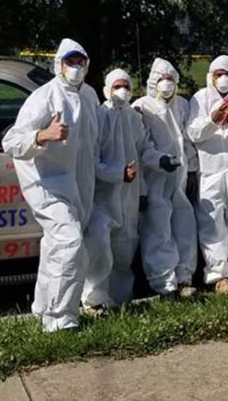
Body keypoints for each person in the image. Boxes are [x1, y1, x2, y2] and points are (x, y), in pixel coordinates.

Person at [3, 38, 99, 332]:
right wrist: (43, 135)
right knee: (69, 243)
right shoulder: (44, 97)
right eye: (70, 62)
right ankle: (60, 321)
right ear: (59, 65)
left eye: (80, 62)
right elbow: (12, 142)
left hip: (77, 182)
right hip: (44, 182)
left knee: (55, 246)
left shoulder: (90, 96)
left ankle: (42, 308)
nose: (76, 68)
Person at [81, 69, 148, 314]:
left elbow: (142, 150)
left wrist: (143, 190)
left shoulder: (133, 117)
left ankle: (121, 302)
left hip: (128, 198)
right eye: (118, 86)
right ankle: (94, 301)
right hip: (103, 196)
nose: (123, 91)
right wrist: (117, 174)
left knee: (124, 248)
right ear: (107, 88)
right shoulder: (99, 117)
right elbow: (92, 161)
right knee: (99, 246)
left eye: (126, 86)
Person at [187, 55, 228, 294]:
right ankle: (218, 275)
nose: (223, 79)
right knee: (211, 222)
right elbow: (193, 133)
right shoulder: (199, 99)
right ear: (210, 77)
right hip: (210, 170)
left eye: (227, 74)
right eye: (218, 74)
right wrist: (213, 120)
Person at [133, 58, 199, 298]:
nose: (166, 84)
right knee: (158, 230)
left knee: (184, 226)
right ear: (152, 82)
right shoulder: (142, 107)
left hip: (179, 179)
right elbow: (141, 145)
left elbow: (186, 138)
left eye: (170, 79)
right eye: (161, 79)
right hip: (156, 181)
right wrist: (158, 160)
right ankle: (164, 283)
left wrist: (191, 168)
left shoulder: (181, 104)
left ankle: (184, 278)